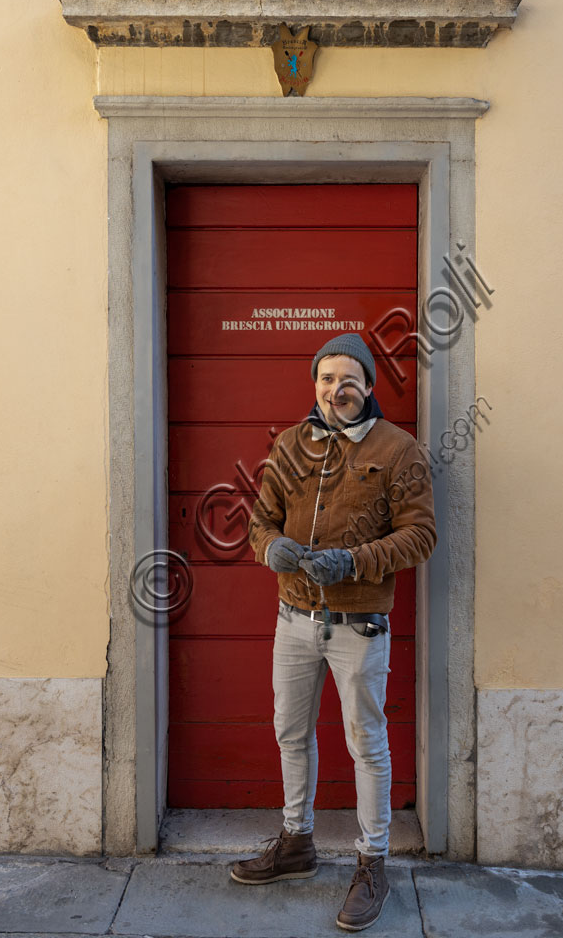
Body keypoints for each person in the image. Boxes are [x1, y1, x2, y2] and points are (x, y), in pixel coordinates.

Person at [230, 333, 437, 932]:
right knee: (291, 734)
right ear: (314, 384)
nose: (336, 389)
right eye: (325, 378)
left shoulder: (400, 450)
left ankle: (373, 863)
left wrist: (354, 562)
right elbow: (260, 519)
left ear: (369, 385)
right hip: (293, 621)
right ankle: (297, 844)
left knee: (365, 744)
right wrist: (271, 548)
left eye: (349, 379)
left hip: (359, 626)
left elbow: (420, 535)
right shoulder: (292, 444)